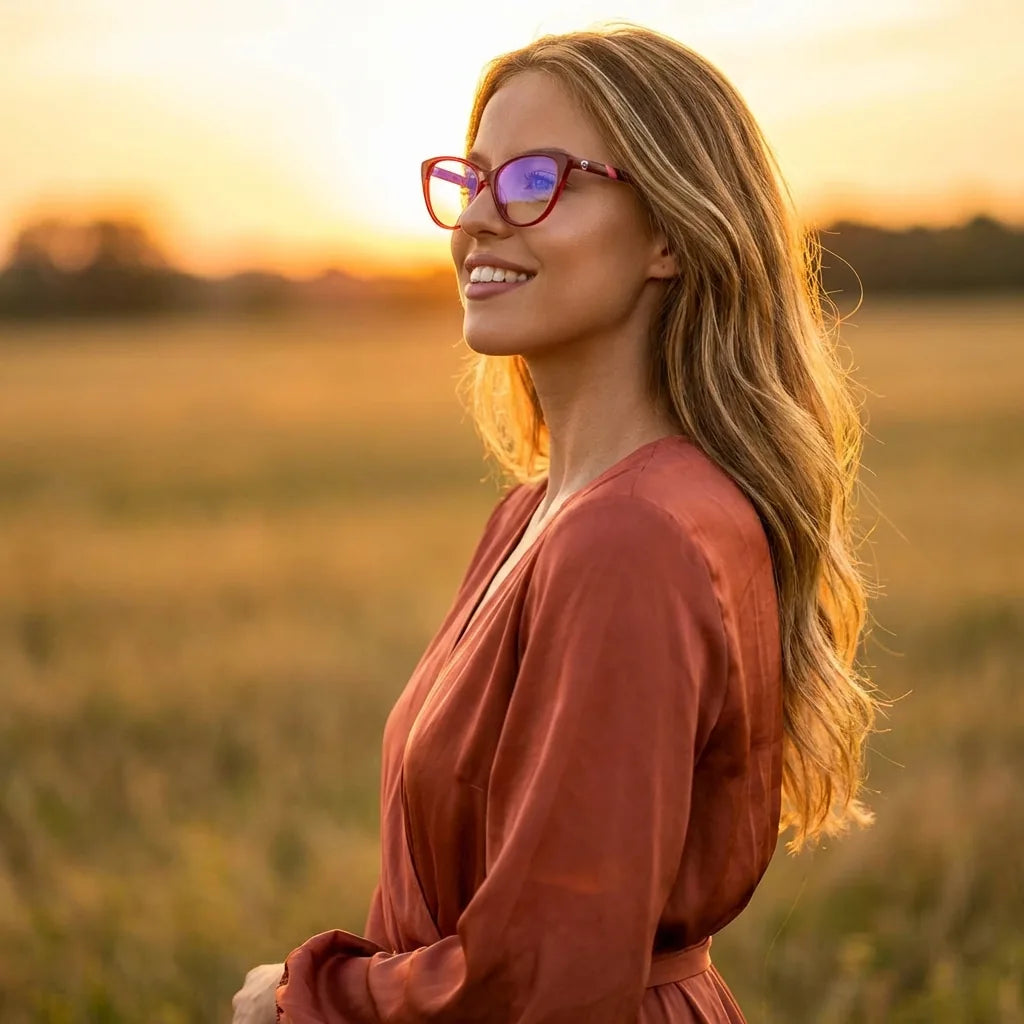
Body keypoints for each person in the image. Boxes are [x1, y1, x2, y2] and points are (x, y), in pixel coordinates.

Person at [232, 20, 882, 1024]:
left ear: (670, 234)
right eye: (472, 179)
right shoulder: (535, 513)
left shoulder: (635, 536)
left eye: (536, 179)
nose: (477, 219)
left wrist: (308, 1001)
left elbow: (553, 975)